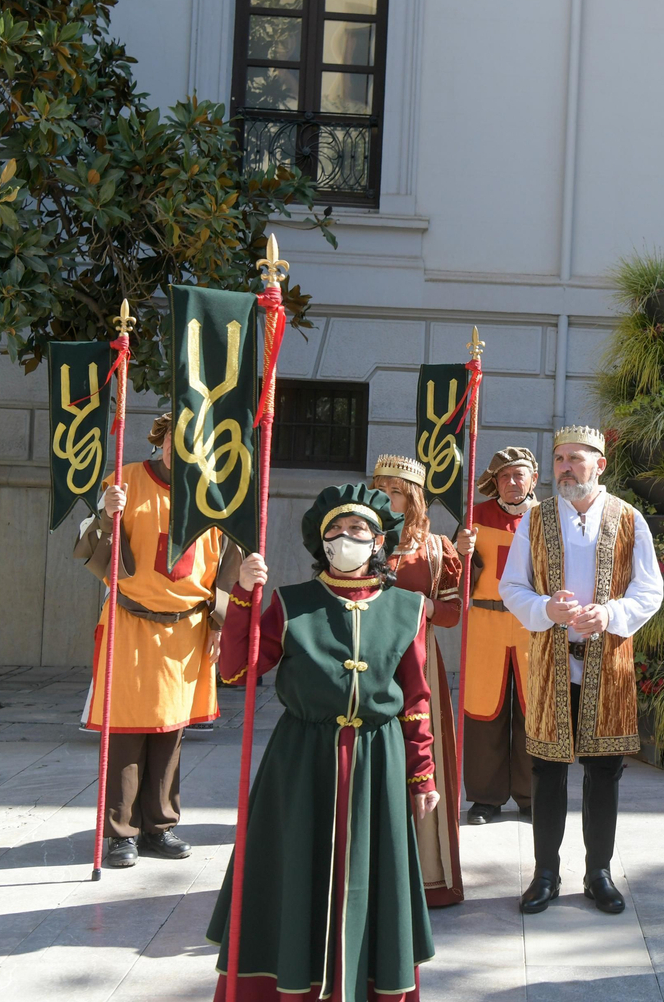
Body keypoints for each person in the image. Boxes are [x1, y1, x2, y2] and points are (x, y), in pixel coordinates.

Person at [208, 484, 437, 1002]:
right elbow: (237, 668)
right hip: (301, 762)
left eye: (358, 529)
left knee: (372, 884)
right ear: (321, 541)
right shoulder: (291, 603)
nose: (345, 538)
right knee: (294, 879)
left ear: (379, 541)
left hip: (377, 761)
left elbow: (416, 699)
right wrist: (244, 595)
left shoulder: (407, 608)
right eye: (335, 530)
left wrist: (422, 774)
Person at [499, 426, 663, 916]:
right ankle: (545, 873)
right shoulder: (537, 519)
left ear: (600, 464)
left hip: (607, 661)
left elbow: (649, 591)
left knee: (604, 771)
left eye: (575, 458)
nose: (565, 467)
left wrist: (610, 614)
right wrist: (546, 608)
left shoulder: (630, 518)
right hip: (552, 659)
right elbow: (512, 587)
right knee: (546, 770)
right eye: (559, 459)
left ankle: (599, 873)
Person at [76, 412, 239, 868]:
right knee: (128, 728)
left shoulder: (216, 494)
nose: (175, 447)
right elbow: (94, 552)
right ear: (159, 441)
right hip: (132, 621)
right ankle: (120, 832)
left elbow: (228, 563)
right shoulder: (123, 482)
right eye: (170, 439)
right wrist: (108, 515)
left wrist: (220, 623)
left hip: (187, 627)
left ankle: (160, 826)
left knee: (171, 728)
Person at [371, 454, 465, 908]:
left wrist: (425, 608)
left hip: (418, 661)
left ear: (413, 499)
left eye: (396, 492)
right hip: (366, 663)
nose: (387, 499)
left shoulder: (435, 547)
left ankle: (427, 874)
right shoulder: (358, 539)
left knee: (421, 760)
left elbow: (452, 612)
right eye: (381, 489)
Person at [453, 446, 538, 825]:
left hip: (532, 626)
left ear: (533, 479)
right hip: (485, 626)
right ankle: (485, 798)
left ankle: (531, 796)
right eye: (504, 477)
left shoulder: (548, 520)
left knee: (531, 711)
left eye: (519, 475)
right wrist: (460, 551)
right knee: (483, 710)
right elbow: (455, 579)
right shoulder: (474, 519)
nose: (512, 482)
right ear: (495, 483)